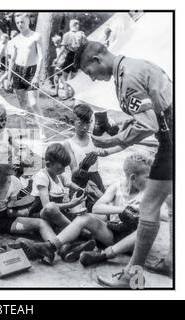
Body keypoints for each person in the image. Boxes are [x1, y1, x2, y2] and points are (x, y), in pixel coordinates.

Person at [75, 40, 173, 287]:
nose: (94, 79)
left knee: (149, 205)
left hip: (171, 137)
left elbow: (148, 124)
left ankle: (131, 277)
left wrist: (113, 141)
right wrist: (121, 134)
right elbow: (151, 110)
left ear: (97, 60)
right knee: (172, 203)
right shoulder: (135, 66)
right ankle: (172, 260)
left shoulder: (127, 77)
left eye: (90, 73)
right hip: (170, 134)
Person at [0, 143, 59, 264]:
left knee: (41, 223)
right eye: (10, 159)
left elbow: (12, 207)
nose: (15, 162)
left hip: (6, 219)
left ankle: (55, 246)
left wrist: (18, 211)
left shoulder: (15, 182)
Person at [29, 143, 87, 232]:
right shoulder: (42, 177)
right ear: (48, 164)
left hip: (58, 212)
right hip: (42, 213)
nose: (63, 170)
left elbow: (70, 184)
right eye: (60, 168)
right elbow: (47, 206)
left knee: (80, 213)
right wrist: (71, 204)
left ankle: (73, 229)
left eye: (64, 167)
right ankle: (76, 230)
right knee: (51, 207)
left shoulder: (59, 175)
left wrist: (81, 190)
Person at [6, 12, 45, 138]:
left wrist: (36, 76)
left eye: (22, 22)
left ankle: (42, 131)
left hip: (32, 71)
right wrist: (8, 78)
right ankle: (24, 132)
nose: (19, 25)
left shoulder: (36, 36)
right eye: (17, 22)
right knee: (23, 105)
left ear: (28, 20)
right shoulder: (14, 40)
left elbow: (41, 57)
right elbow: (12, 60)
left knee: (33, 103)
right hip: (18, 72)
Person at [63, 104, 105, 193]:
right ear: (72, 122)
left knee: (99, 204)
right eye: (80, 123)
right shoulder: (68, 144)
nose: (84, 127)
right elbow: (74, 171)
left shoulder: (94, 139)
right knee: (79, 204)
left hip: (95, 178)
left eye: (87, 123)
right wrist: (84, 165)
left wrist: (102, 151)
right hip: (78, 180)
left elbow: (109, 148)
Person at [54, 19, 86, 100]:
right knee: (73, 77)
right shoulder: (81, 34)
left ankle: (68, 94)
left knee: (64, 77)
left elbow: (62, 48)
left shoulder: (67, 35)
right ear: (75, 25)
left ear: (70, 25)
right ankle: (73, 94)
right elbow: (85, 45)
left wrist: (57, 59)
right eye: (77, 24)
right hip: (78, 57)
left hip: (70, 56)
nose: (78, 26)